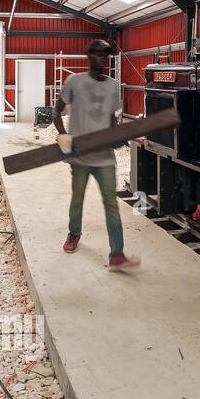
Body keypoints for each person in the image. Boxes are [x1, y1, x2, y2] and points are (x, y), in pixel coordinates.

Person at [59, 39, 140, 269]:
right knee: (77, 199)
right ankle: (74, 233)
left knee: (111, 204)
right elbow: (56, 112)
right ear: (88, 56)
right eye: (99, 54)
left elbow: (110, 121)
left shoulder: (113, 85)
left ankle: (117, 254)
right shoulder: (74, 82)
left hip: (104, 157)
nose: (103, 58)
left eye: (107, 54)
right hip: (80, 157)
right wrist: (65, 141)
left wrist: (122, 136)